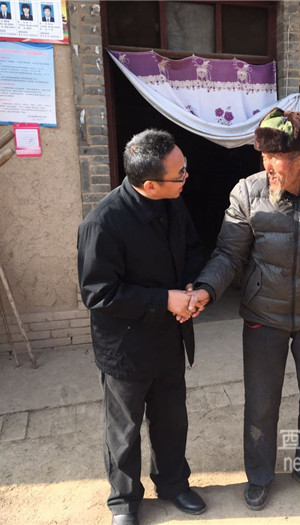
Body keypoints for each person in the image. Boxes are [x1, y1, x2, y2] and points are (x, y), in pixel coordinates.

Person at [188, 108, 300, 510]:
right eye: (264, 156)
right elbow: (228, 254)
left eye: (276, 157)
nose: (267, 165)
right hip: (263, 316)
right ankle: (259, 476)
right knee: (261, 402)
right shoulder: (247, 193)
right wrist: (206, 289)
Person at [77, 129, 207, 525]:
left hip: (169, 338)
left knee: (172, 420)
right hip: (126, 347)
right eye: (179, 174)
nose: (186, 177)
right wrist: (164, 299)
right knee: (124, 429)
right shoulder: (103, 223)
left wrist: (191, 287)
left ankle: (173, 484)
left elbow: (192, 250)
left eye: (185, 168)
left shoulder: (174, 203)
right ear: (149, 184)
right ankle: (124, 502)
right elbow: (98, 293)